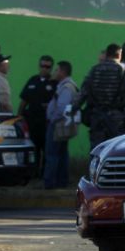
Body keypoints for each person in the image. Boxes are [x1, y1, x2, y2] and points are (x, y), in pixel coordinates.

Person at [73, 43, 125, 151]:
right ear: (119, 55)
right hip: (117, 120)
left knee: (96, 151)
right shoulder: (123, 71)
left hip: (96, 118)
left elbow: (82, 93)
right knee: (115, 152)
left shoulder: (94, 70)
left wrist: (73, 109)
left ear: (107, 54)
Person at [18, 55, 58, 177]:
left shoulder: (54, 83)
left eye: (48, 66)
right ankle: (32, 173)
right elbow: (24, 101)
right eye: (42, 66)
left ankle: (44, 174)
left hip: (46, 122)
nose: (44, 69)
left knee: (47, 149)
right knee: (33, 149)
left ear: (51, 68)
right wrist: (19, 116)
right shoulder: (32, 80)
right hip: (32, 122)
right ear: (39, 66)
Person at [44, 61, 77, 189]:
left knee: (52, 154)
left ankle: (50, 183)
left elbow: (62, 108)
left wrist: (52, 118)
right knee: (62, 153)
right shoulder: (65, 86)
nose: (55, 72)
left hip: (58, 125)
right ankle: (61, 181)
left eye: (57, 70)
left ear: (63, 72)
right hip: (61, 125)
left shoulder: (67, 87)